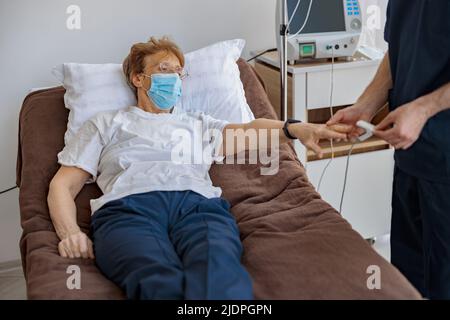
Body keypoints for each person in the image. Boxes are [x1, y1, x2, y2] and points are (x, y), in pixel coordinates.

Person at [47, 36, 350, 300]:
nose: (175, 79)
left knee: (219, 272)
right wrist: (70, 232)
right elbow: (63, 185)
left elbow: (252, 129)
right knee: (154, 279)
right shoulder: (105, 123)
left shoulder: (196, 123)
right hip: (128, 209)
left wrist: (297, 129)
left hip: (197, 206)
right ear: (138, 78)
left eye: (180, 73)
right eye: (164, 70)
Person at [328, 0, 450, 299]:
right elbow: (397, 49)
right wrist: (366, 104)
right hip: (412, 157)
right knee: (406, 282)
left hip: (445, 159)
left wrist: (423, 109)